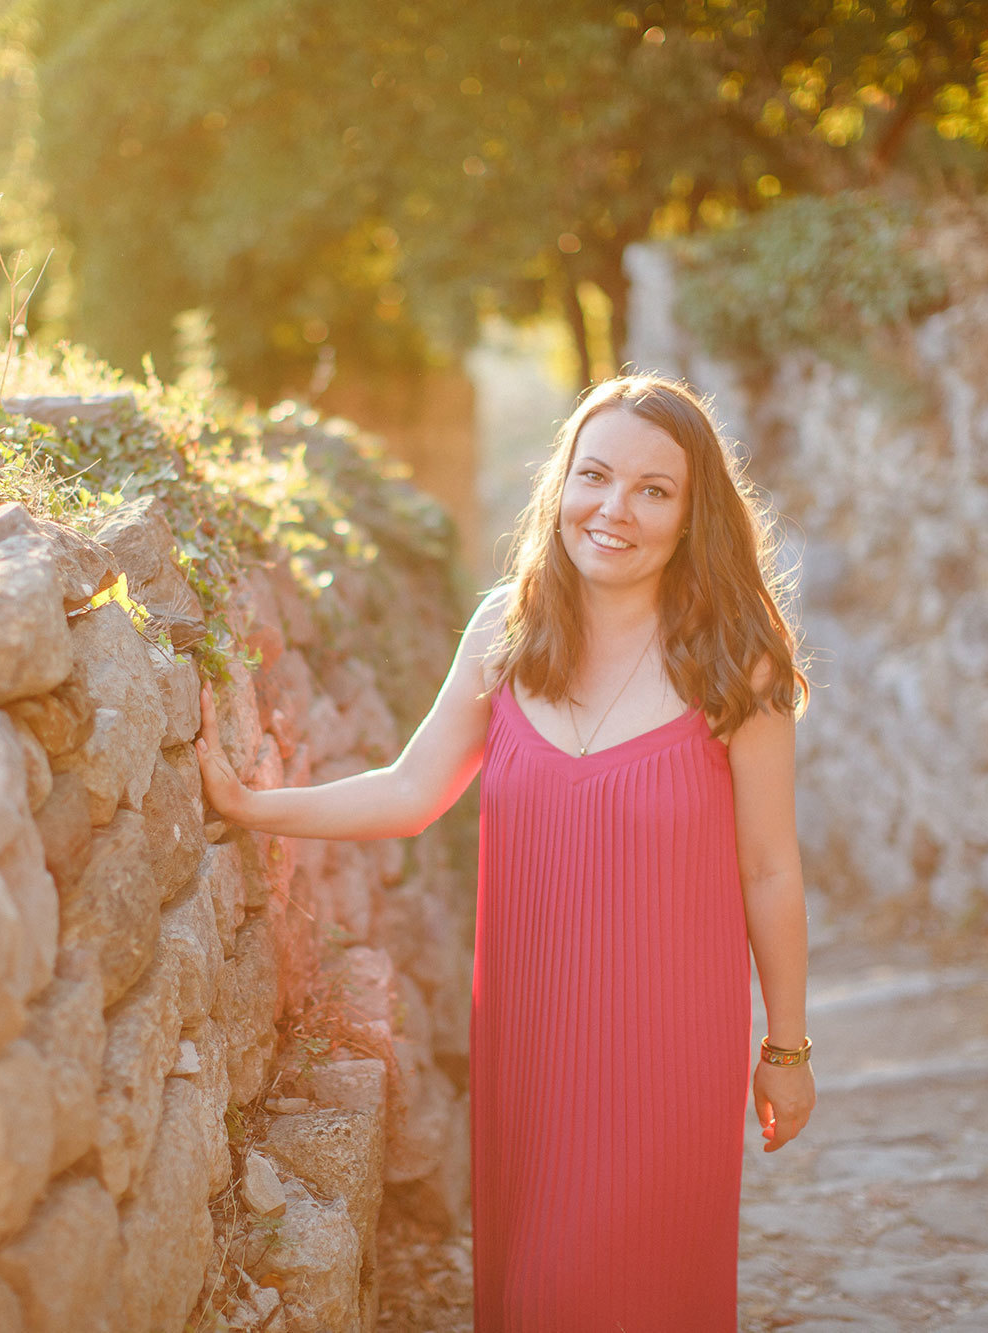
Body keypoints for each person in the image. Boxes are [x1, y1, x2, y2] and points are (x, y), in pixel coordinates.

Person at [194, 373, 814, 1331]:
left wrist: (785, 1047)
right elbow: (410, 793)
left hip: (671, 1044)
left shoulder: (739, 661)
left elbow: (771, 867)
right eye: (594, 475)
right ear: (560, 483)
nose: (615, 509)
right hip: (529, 1034)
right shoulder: (508, 630)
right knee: (535, 1293)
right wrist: (247, 804)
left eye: (654, 490)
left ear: (694, 518)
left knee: (638, 1286)